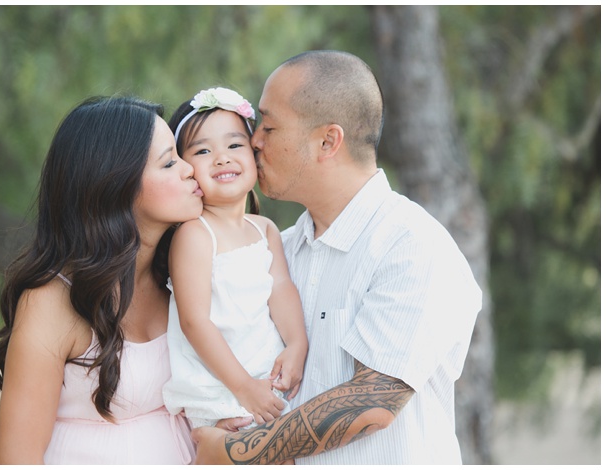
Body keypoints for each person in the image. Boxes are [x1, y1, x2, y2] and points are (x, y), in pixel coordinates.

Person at [192, 50, 483, 465]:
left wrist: (237, 452)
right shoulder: (281, 251)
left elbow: (372, 403)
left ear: (328, 141)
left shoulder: (412, 245)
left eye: (269, 127)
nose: (253, 141)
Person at [0, 95, 205, 464]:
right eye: (169, 162)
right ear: (116, 186)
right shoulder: (52, 300)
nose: (190, 169)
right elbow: (16, 458)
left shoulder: (183, 276)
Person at [162, 87, 308, 431]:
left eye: (234, 145)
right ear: (185, 168)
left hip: (265, 381)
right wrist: (242, 387)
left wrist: (297, 343)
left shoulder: (265, 229)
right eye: (202, 150)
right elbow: (194, 322)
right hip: (220, 389)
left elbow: (281, 290)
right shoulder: (195, 235)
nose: (222, 158)